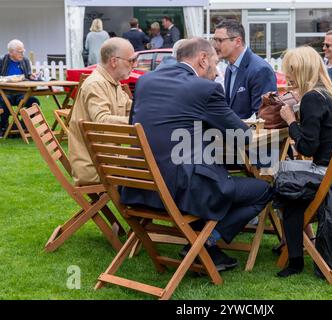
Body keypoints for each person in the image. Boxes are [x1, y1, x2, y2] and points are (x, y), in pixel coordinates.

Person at [121, 37, 272, 271]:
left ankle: (203, 242)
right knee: (262, 189)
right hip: (180, 192)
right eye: (215, 60)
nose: (217, 68)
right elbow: (242, 135)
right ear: (202, 59)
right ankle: (207, 242)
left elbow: (140, 126)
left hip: (140, 187)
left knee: (207, 171)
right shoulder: (205, 88)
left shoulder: (146, 82)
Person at [275, 46, 332, 277]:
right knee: (289, 181)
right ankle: (300, 244)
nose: (288, 77)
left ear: (301, 71)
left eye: (290, 72)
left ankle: (294, 258)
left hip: (331, 177)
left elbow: (306, 148)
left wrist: (291, 121)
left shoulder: (312, 98)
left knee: (283, 184)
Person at [69, 38, 136, 185]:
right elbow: (102, 120)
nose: (134, 65)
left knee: (156, 168)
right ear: (114, 61)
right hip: (95, 167)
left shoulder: (112, 82)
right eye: (131, 60)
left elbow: (131, 108)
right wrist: (137, 122)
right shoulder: (96, 84)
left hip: (108, 160)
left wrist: (154, 113)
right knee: (156, 173)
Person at [213, 19, 277, 119]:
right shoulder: (230, 68)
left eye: (220, 40)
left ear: (238, 41)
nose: (215, 45)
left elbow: (263, 117)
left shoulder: (260, 70)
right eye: (215, 40)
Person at [0, 39, 40, 137]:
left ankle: (23, 126)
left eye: (23, 51)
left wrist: (32, 76)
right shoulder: (2, 61)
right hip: (5, 93)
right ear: (11, 52)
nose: (22, 53)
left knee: (34, 102)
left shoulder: (25, 61)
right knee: (3, 102)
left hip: (22, 93)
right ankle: (3, 127)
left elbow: (28, 75)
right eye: (19, 51)